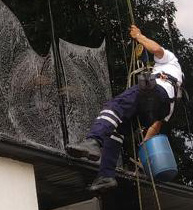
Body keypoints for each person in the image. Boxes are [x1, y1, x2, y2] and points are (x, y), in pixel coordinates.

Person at [66, 25, 183, 192]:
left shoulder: (171, 61)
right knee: (117, 131)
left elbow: (156, 49)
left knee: (116, 105)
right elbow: (156, 125)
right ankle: (106, 175)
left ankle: (93, 140)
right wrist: (144, 143)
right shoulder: (174, 94)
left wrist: (139, 36)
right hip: (155, 110)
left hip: (154, 92)